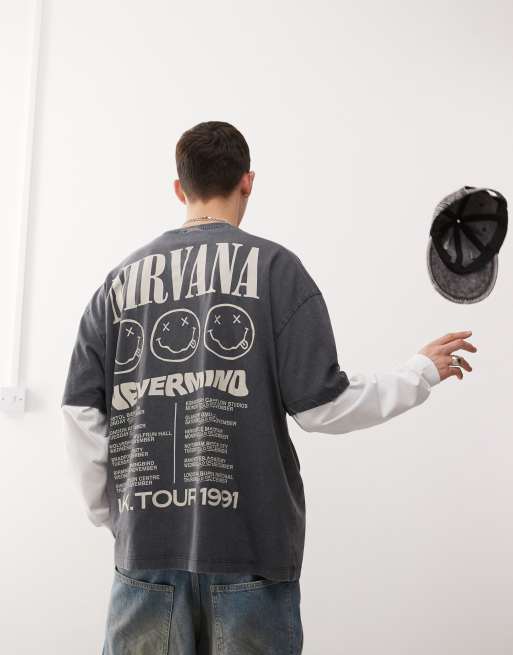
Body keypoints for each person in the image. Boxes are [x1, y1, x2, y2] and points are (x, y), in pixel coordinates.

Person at [61, 121, 476, 655]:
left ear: (179, 188)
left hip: (146, 553)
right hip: (251, 552)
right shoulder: (277, 270)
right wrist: (419, 373)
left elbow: (80, 413)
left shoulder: (117, 285)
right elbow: (323, 406)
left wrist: (118, 518)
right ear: (248, 181)